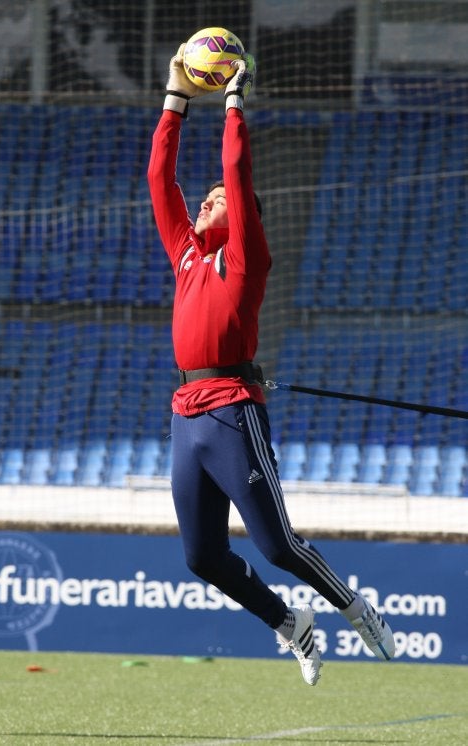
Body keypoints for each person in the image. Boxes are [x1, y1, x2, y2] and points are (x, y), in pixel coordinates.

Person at [147, 44, 395, 686]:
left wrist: (232, 96)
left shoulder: (245, 260)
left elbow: (235, 166)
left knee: (278, 545)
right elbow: (158, 178)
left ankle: (354, 608)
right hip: (185, 415)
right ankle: (292, 627)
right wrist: (175, 97)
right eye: (203, 199)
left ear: (244, 215)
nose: (204, 203)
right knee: (201, 556)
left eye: (217, 199)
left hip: (232, 409)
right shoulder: (187, 258)